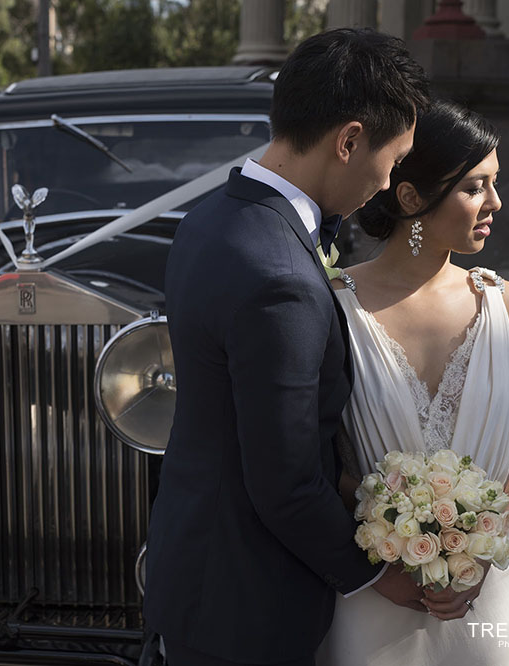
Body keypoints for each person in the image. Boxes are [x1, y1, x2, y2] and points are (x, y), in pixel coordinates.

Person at [144, 29, 430, 666]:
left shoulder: (208, 219)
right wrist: (376, 576)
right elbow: (287, 483)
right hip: (247, 606)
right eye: (393, 160)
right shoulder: (283, 277)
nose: (389, 183)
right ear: (349, 141)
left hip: (192, 570)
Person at [316, 100, 509, 666]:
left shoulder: (508, 305)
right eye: (475, 187)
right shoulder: (333, 306)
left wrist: (481, 546)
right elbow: (316, 458)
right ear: (410, 197)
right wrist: (392, 538)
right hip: (376, 586)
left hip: (486, 592)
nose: (495, 202)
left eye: (494, 183)